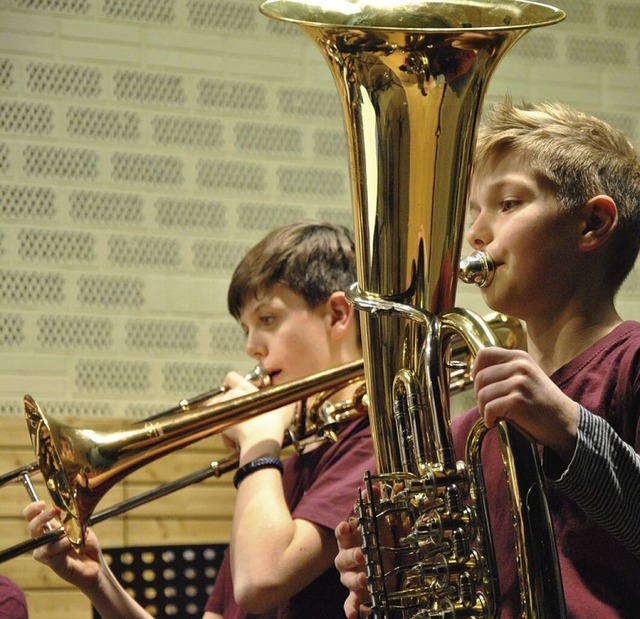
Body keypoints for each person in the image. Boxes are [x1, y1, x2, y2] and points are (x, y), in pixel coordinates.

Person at [333, 99, 640, 619]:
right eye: (474, 210)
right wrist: (397, 577)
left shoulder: (630, 363)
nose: (476, 232)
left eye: (508, 204)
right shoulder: (470, 428)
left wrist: (569, 427)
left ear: (591, 222)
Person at [24, 221, 376, 619]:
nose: (250, 347)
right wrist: (98, 581)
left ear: (337, 314)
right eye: (246, 328)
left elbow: (259, 583)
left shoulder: (371, 447)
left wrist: (259, 446)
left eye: (268, 319)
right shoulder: (278, 471)